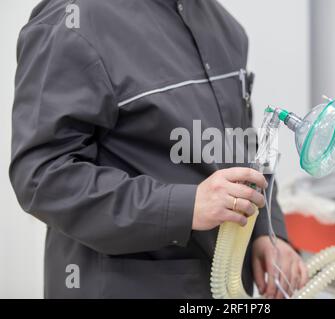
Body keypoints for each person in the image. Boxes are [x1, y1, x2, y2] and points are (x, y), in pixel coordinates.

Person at [10, 0, 307, 299]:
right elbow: (43, 177)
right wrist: (183, 206)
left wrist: (267, 233)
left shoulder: (222, 25)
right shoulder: (73, 21)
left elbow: (240, 139)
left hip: (223, 289)